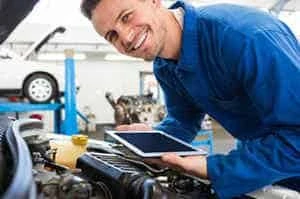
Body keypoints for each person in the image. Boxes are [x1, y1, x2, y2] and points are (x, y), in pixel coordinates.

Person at [80, 0, 300, 198]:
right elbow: (182, 121)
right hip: (263, 163)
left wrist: (215, 168)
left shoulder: (244, 37)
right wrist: (150, 141)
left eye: (126, 16)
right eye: (112, 36)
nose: (126, 37)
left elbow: (297, 137)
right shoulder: (164, 66)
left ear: (154, 1)